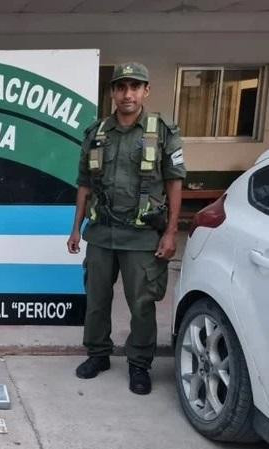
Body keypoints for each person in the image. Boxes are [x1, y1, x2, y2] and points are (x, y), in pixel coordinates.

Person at [67, 62, 186, 395]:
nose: (127, 94)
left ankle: (139, 364)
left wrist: (170, 232)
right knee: (96, 299)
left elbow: (175, 183)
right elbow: (84, 184)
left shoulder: (162, 131)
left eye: (135, 87)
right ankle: (98, 354)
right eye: (121, 87)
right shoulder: (96, 133)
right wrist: (76, 228)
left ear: (146, 91)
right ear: (113, 93)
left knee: (142, 303)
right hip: (102, 233)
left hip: (143, 236)